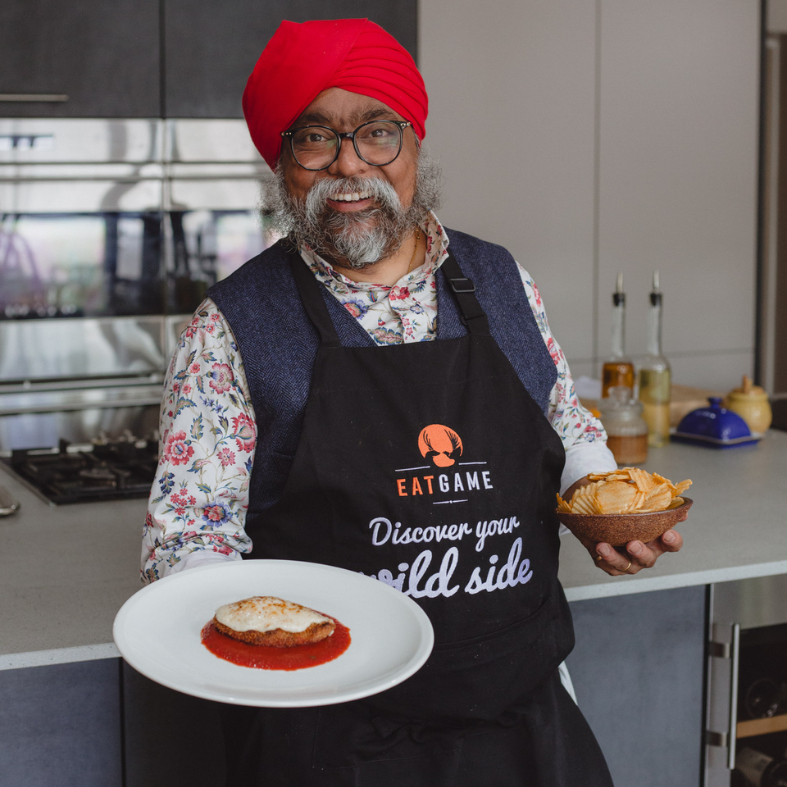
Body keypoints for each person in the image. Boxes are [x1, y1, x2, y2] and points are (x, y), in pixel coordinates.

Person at [141, 18, 683, 786]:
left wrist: (601, 509)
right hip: (330, 737)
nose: (349, 166)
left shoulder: (499, 278)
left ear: (413, 143)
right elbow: (187, 537)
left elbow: (562, 419)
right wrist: (262, 637)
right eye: (314, 138)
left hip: (521, 714)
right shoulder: (232, 323)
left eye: (375, 132)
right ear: (281, 162)